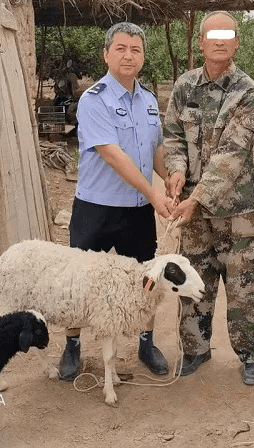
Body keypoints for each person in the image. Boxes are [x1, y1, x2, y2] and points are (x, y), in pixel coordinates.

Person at [59, 22, 174, 381]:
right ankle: (72, 347)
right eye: (121, 48)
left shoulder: (150, 101)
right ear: (106, 54)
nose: (128, 55)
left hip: (137, 211)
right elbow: (113, 154)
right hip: (97, 208)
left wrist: (168, 178)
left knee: (147, 278)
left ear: (143, 57)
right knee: (79, 280)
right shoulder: (94, 100)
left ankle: (145, 341)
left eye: (135, 49)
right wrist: (154, 193)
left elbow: (154, 149)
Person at [163, 10, 254, 386]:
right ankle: (195, 349)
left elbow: (232, 155)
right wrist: (175, 170)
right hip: (192, 213)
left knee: (245, 287)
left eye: (228, 34)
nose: (220, 40)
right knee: (193, 280)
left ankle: (251, 355)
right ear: (200, 43)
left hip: (236, 212)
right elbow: (172, 136)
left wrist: (197, 196)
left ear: (237, 42)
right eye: (212, 35)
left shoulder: (247, 92)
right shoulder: (184, 86)